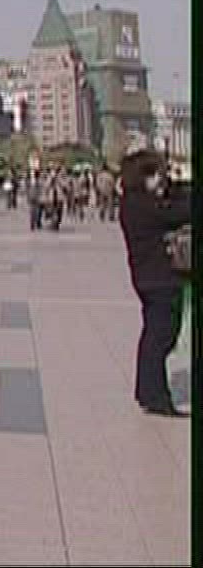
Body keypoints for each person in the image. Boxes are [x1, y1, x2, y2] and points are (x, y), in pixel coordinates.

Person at [118, 150, 191, 416]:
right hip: (160, 280)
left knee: (155, 336)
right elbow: (181, 212)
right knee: (161, 338)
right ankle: (155, 397)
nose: (161, 180)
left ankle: (147, 391)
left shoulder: (132, 202)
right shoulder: (144, 205)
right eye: (158, 174)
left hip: (149, 279)